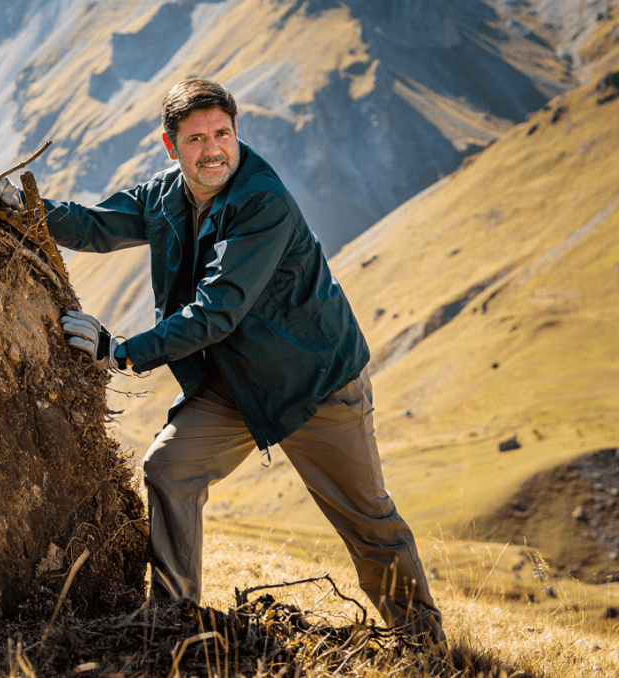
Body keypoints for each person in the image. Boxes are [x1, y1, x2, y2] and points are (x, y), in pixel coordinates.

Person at [33, 79, 444, 644]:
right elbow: (97, 225)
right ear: (169, 145)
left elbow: (215, 312)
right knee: (169, 469)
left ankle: (425, 643)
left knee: (368, 522)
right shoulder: (165, 196)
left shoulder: (262, 200)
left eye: (223, 133)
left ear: (236, 133)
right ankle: (173, 622)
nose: (213, 149)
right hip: (238, 383)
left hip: (315, 382)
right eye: (196, 138)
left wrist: (120, 351)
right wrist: (30, 208)